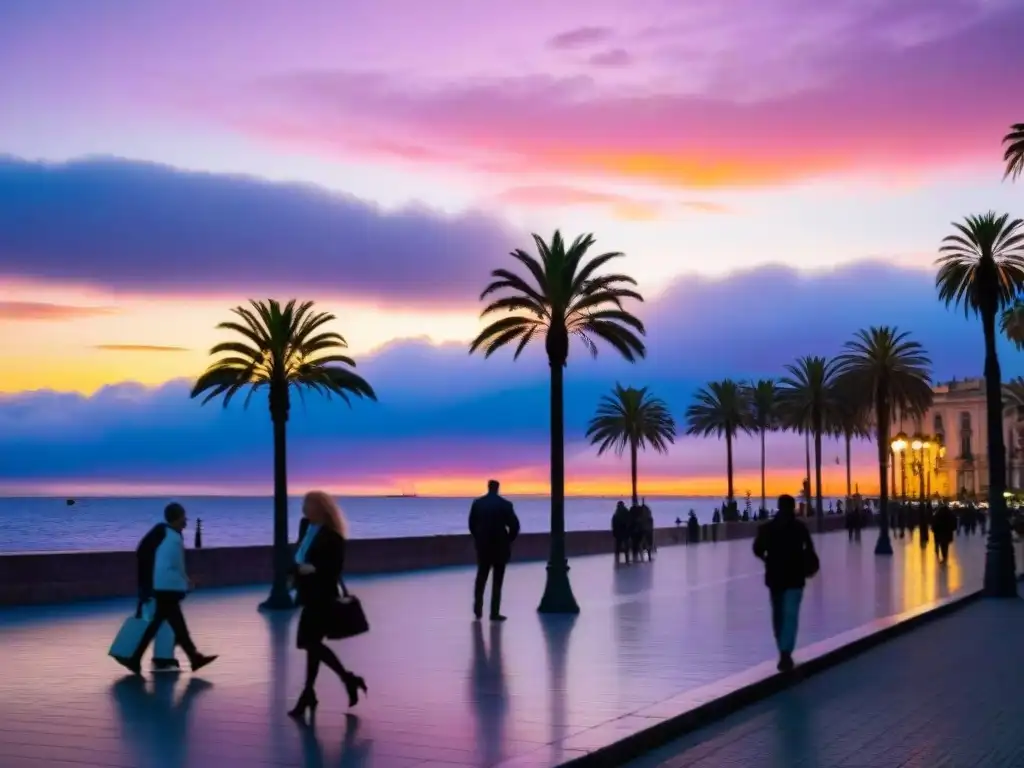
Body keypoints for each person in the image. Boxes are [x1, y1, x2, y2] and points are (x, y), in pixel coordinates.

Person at [289, 491, 367, 720]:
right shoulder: (305, 527)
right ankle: (310, 694)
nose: (303, 508)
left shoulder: (333, 537)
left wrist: (313, 569)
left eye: (308, 504)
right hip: (307, 594)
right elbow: (299, 553)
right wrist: (294, 572)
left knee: (308, 642)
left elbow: (333, 570)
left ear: (320, 508)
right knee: (312, 647)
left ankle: (346, 679)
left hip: (322, 596)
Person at [120, 503, 217, 676]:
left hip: (161, 586)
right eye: (183, 516)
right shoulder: (173, 537)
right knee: (170, 624)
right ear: (178, 518)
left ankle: (192, 657)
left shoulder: (164, 533)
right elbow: (177, 564)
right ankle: (193, 657)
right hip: (167, 587)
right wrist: (188, 581)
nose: (186, 519)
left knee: (168, 623)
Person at [753, 494, 817, 672]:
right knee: (791, 614)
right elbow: (810, 549)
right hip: (795, 578)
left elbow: (757, 549)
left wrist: (767, 559)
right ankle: (785, 652)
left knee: (779, 615)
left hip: (775, 578)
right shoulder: (800, 528)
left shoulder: (767, 529)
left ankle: (783, 648)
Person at [469, 480, 521, 621]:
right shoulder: (505, 505)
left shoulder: (478, 503)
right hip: (500, 547)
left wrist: (479, 538)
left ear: (488, 487)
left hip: (483, 546)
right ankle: (494, 612)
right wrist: (508, 539)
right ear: (497, 488)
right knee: (497, 581)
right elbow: (515, 526)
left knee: (481, 577)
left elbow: (472, 524)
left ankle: (478, 608)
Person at [132, 518, 180, 672]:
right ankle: (162, 661)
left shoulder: (148, 552)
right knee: (166, 625)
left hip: (151, 591)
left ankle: (159, 659)